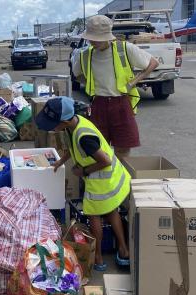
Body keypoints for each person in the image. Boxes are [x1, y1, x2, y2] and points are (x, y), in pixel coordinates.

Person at [36, 96, 131, 271]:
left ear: (64, 122)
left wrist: (83, 171)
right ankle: (124, 250)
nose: (53, 129)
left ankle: (98, 258)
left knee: (93, 215)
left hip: (101, 177)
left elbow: (105, 160)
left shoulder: (84, 137)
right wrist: (60, 162)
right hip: (109, 176)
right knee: (111, 210)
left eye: (53, 124)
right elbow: (71, 148)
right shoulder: (75, 124)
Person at [72, 15, 159, 159]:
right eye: (91, 38)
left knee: (123, 149)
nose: (93, 41)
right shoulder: (85, 54)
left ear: (108, 36)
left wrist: (134, 81)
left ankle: (122, 177)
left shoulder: (124, 49)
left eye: (97, 38)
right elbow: (77, 74)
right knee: (99, 149)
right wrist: (90, 83)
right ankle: (104, 179)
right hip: (98, 104)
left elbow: (153, 63)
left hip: (121, 103)